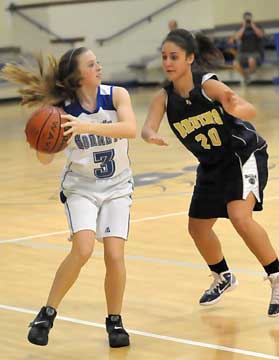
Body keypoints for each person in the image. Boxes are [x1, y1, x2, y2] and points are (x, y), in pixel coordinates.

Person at [1, 47, 137, 347]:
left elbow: (130, 129)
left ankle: (114, 321)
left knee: (115, 255)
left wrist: (85, 126)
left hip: (117, 187)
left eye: (97, 61)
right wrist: (42, 141)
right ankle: (46, 314)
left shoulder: (116, 95)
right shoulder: (61, 110)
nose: (99, 66)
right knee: (84, 248)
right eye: (91, 64)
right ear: (77, 77)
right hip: (81, 188)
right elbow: (44, 161)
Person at [141, 28, 279, 316]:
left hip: (241, 155)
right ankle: (224, 276)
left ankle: (277, 278)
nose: (167, 62)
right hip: (211, 165)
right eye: (164, 57)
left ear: (190, 58)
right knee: (198, 228)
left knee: (241, 218)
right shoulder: (164, 98)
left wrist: (237, 107)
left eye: (174, 57)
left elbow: (245, 107)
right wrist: (151, 135)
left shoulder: (208, 85)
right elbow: (147, 126)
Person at [230, 12, 264, 84]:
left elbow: (260, 35)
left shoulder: (257, 26)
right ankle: (246, 77)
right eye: (246, 18)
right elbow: (237, 37)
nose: (248, 19)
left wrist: (253, 25)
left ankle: (247, 76)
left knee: (251, 60)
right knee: (235, 63)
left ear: (251, 18)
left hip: (255, 52)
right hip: (242, 53)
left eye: (249, 18)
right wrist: (243, 26)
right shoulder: (240, 27)